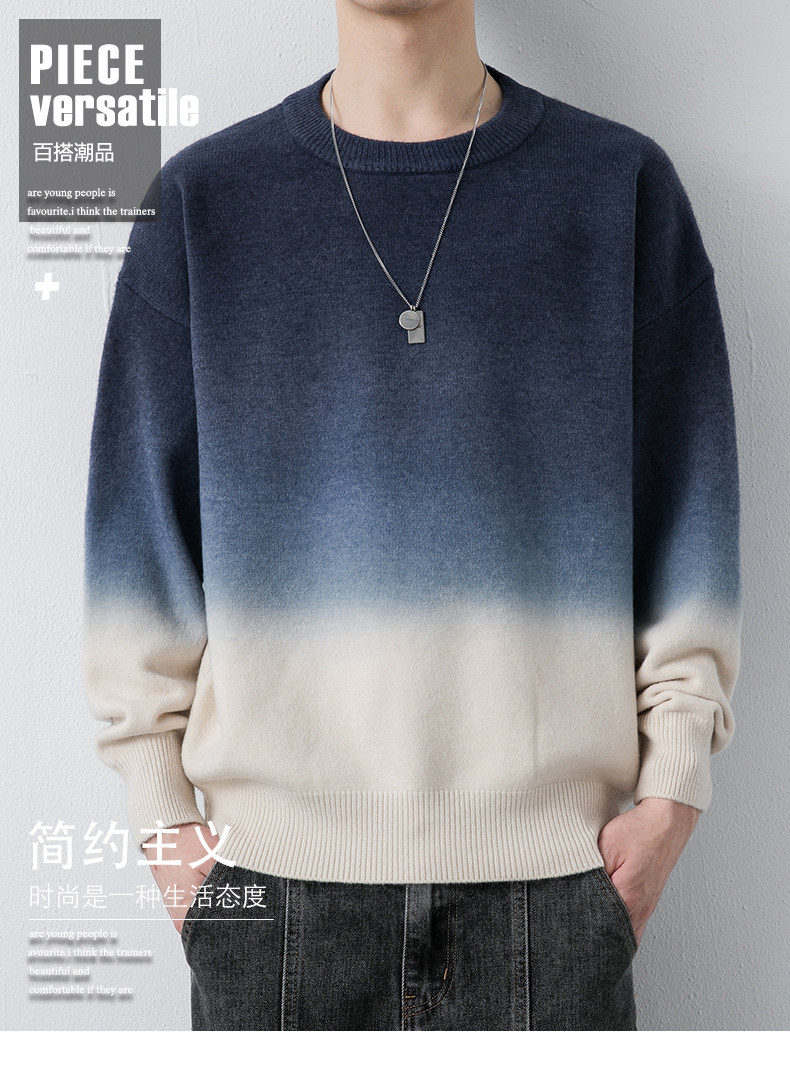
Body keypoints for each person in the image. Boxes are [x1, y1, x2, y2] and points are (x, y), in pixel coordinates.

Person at [82, 0, 741, 1031]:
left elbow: (691, 512)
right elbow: (136, 545)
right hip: (270, 900)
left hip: (557, 890)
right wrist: (167, 829)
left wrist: (675, 789)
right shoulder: (204, 203)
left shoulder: (618, 189)